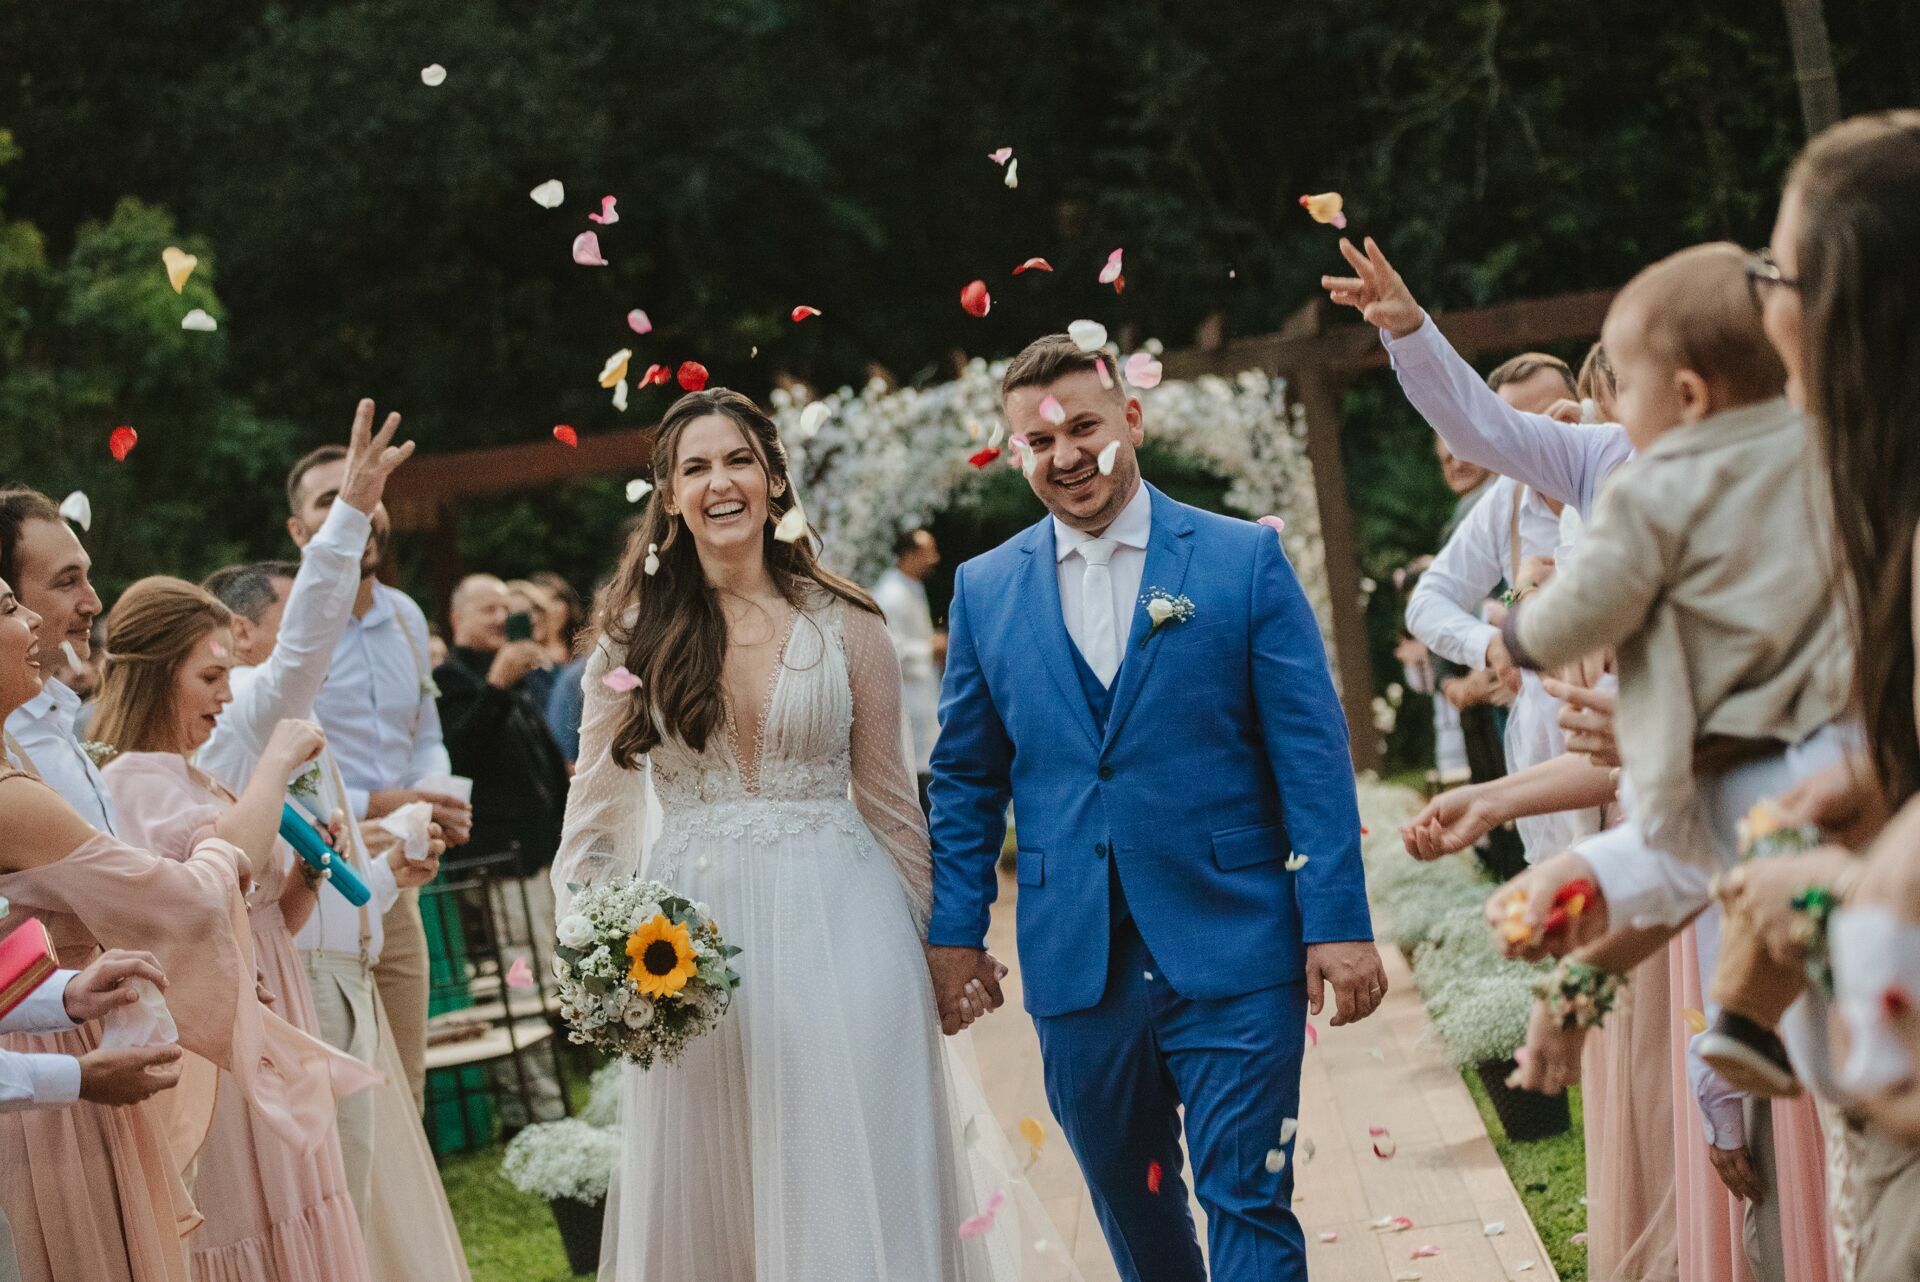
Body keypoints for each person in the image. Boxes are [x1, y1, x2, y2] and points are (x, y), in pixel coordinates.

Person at [552, 387, 1057, 1278]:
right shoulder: (629, 642)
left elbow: (895, 807)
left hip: (845, 927)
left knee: (856, 1163)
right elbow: (590, 832)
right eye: (695, 467)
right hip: (693, 953)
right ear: (668, 496)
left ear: (774, 479)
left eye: (739, 460)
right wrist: (609, 956)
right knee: (723, 1191)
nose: (720, 482)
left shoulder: (847, 622)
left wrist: (946, 953)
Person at [927, 333, 1385, 1281]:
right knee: (1135, 1219)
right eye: (1039, 442)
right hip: (1078, 964)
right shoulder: (983, 590)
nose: (1065, 456)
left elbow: (1312, 753)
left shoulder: (1239, 561)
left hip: (1235, 941)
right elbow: (968, 779)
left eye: (1082, 427)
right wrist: (954, 931)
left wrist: (1337, 921)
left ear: (1130, 419)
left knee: (1248, 1202)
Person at [0, 573, 363, 1282]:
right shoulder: (21, 797)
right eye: (11, 607)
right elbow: (185, 902)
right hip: (59, 1078)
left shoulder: (24, 772)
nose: (35, 624)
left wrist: (68, 993)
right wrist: (223, 847)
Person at [286, 441, 472, 1106]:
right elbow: (282, 762)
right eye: (333, 500)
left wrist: (436, 799)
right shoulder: (291, 625)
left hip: (401, 874)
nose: (358, 510)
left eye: (368, 494)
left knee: (406, 1084)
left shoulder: (406, 615)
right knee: (345, 1094)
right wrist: (382, 800)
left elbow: (425, 732)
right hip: (318, 875)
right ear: (301, 531)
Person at [1405, 351, 1607, 863]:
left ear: (1582, 407)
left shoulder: (1617, 471)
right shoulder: (1505, 502)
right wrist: (1491, 644)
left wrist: (1532, 598)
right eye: (1517, 424)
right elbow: (1428, 601)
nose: (1539, 433)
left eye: (1552, 413)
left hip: (1629, 729)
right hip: (1549, 743)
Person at [0, 489, 116, 833]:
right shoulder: (11, 739)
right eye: (67, 582)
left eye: (86, 577)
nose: (93, 603)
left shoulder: (52, 716)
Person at [871, 527, 943, 811]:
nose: (935, 558)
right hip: (907, 697)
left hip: (923, 693)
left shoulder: (911, 587)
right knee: (916, 771)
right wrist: (930, 648)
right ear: (910, 555)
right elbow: (889, 648)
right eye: (929, 551)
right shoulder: (891, 593)